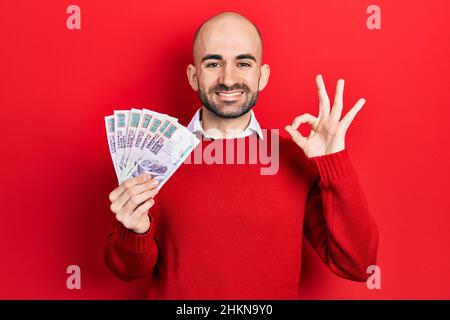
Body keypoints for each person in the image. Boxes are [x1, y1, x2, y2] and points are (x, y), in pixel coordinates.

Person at [104, 11, 378, 299]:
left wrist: (334, 161)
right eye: (213, 63)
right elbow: (125, 271)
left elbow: (358, 264)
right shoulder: (155, 155)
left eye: (243, 63)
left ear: (262, 76)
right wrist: (134, 231)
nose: (228, 79)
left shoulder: (294, 159)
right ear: (193, 76)